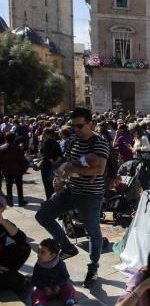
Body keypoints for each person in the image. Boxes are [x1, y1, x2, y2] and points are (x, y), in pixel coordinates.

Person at [35, 107, 109, 287]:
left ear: (91, 124)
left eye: (80, 126)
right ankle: (67, 246)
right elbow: (66, 164)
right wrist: (60, 178)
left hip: (91, 195)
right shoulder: (72, 141)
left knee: (93, 233)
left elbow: (99, 169)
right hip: (70, 191)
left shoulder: (99, 142)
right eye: (73, 126)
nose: (76, 129)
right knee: (42, 215)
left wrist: (73, 169)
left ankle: (93, 267)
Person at [31, 238, 82, 306]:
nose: (39, 255)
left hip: (59, 289)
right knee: (36, 294)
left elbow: (65, 277)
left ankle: (70, 304)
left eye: (43, 252)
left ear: (53, 255)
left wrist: (59, 285)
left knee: (69, 288)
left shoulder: (59, 263)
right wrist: (44, 287)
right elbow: (35, 279)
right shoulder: (38, 265)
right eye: (38, 251)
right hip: (45, 290)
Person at [0, 194, 31, 292]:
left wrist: (3, 222)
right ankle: (14, 278)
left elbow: (22, 238)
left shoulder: (3, 223)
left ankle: (10, 275)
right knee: (17, 282)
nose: (3, 212)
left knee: (24, 248)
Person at [0, 132, 29, 206]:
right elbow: (21, 159)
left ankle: (10, 202)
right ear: (14, 138)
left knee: (8, 186)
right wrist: (25, 167)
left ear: (6, 139)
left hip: (6, 170)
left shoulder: (1, 148)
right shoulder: (17, 148)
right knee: (19, 186)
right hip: (17, 170)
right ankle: (21, 201)